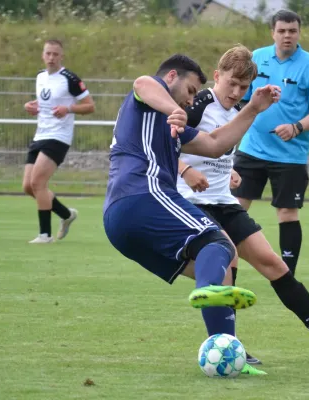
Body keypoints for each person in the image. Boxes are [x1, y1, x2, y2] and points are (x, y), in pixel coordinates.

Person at [178, 45, 309, 368]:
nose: (236, 92)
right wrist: (185, 169)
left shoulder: (238, 109)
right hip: (194, 203)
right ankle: (229, 343)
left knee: (274, 265)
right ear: (217, 76)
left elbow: (217, 148)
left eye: (243, 88)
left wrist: (228, 170)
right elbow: (163, 143)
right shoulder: (199, 103)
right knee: (227, 261)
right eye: (231, 84)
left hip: (224, 200)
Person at [102, 53, 281, 373]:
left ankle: (226, 350)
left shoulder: (174, 121)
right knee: (221, 243)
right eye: (189, 90)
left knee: (220, 264)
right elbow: (142, 83)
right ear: (172, 77)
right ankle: (212, 292)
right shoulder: (151, 95)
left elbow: (214, 145)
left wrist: (252, 109)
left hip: (120, 223)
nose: (191, 99)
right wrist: (175, 109)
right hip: (142, 195)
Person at [232, 10, 309, 276]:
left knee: (287, 213)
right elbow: (240, 98)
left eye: (292, 31)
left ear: (299, 32)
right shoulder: (257, 58)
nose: (287, 36)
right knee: (232, 209)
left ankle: (288, 275)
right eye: (282, 31)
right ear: (272, 32)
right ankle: (227, 267)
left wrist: (296, 127)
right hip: (251, 150)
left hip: (290, 157)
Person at [23, 39, 95, 244]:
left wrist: (69, 109)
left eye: (55, 54)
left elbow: (90, 106)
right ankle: (66, 214)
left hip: (58, 137)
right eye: (48, 54)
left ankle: (45, 235)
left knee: (38, 183)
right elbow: (44, 102)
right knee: (28, 187)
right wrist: (31, 105)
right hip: (40, 135)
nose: (51, 58)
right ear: (43, 55)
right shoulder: (40, 77)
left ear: (61, 56)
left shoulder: (69, 78)